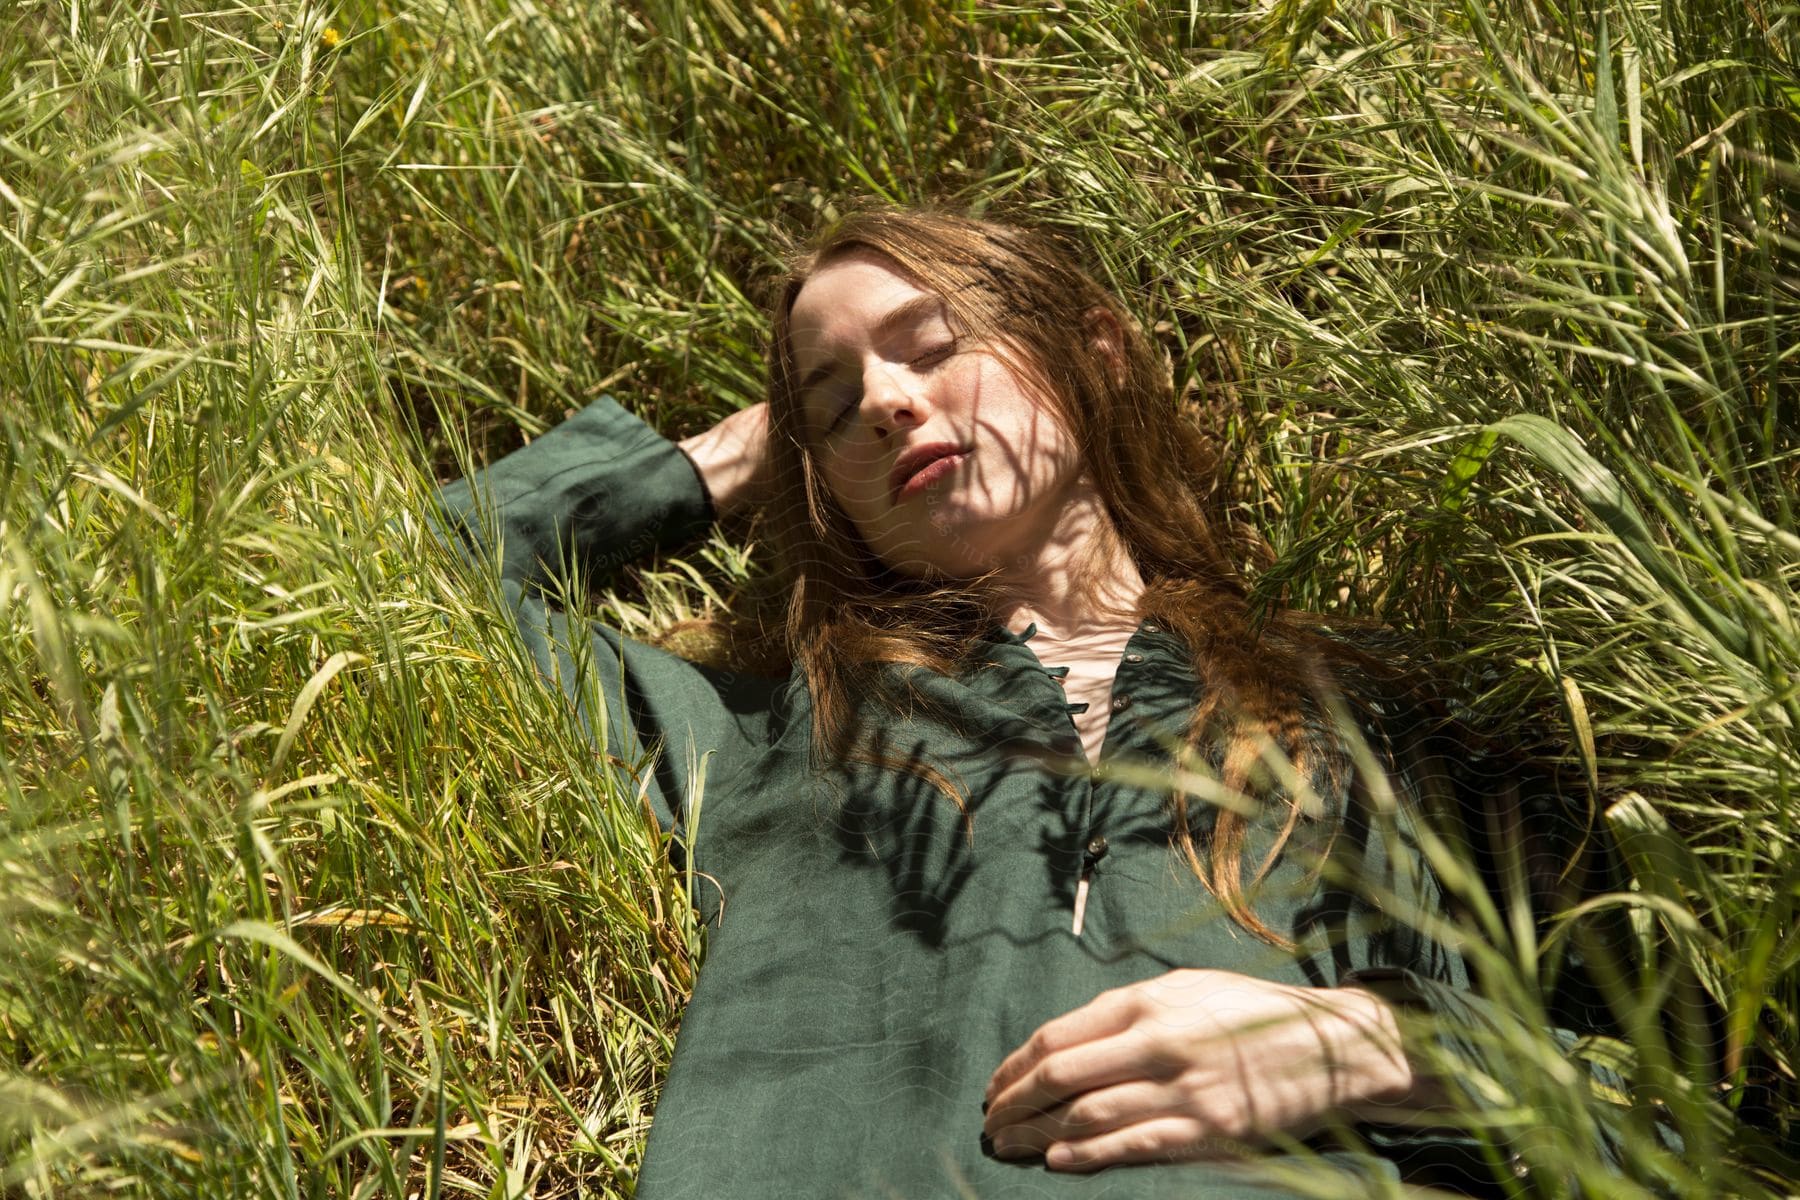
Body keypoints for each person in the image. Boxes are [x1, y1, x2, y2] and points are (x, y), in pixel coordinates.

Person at [431, 208, 1652, 1198]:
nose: (887, 401)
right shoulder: (768, 735)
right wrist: (721, 462)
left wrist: (1382, 1050)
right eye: (834, 401)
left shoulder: (1373, 709)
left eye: (932, 341)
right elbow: (409, 576)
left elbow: (1698, 1116)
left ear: (1097, 351)